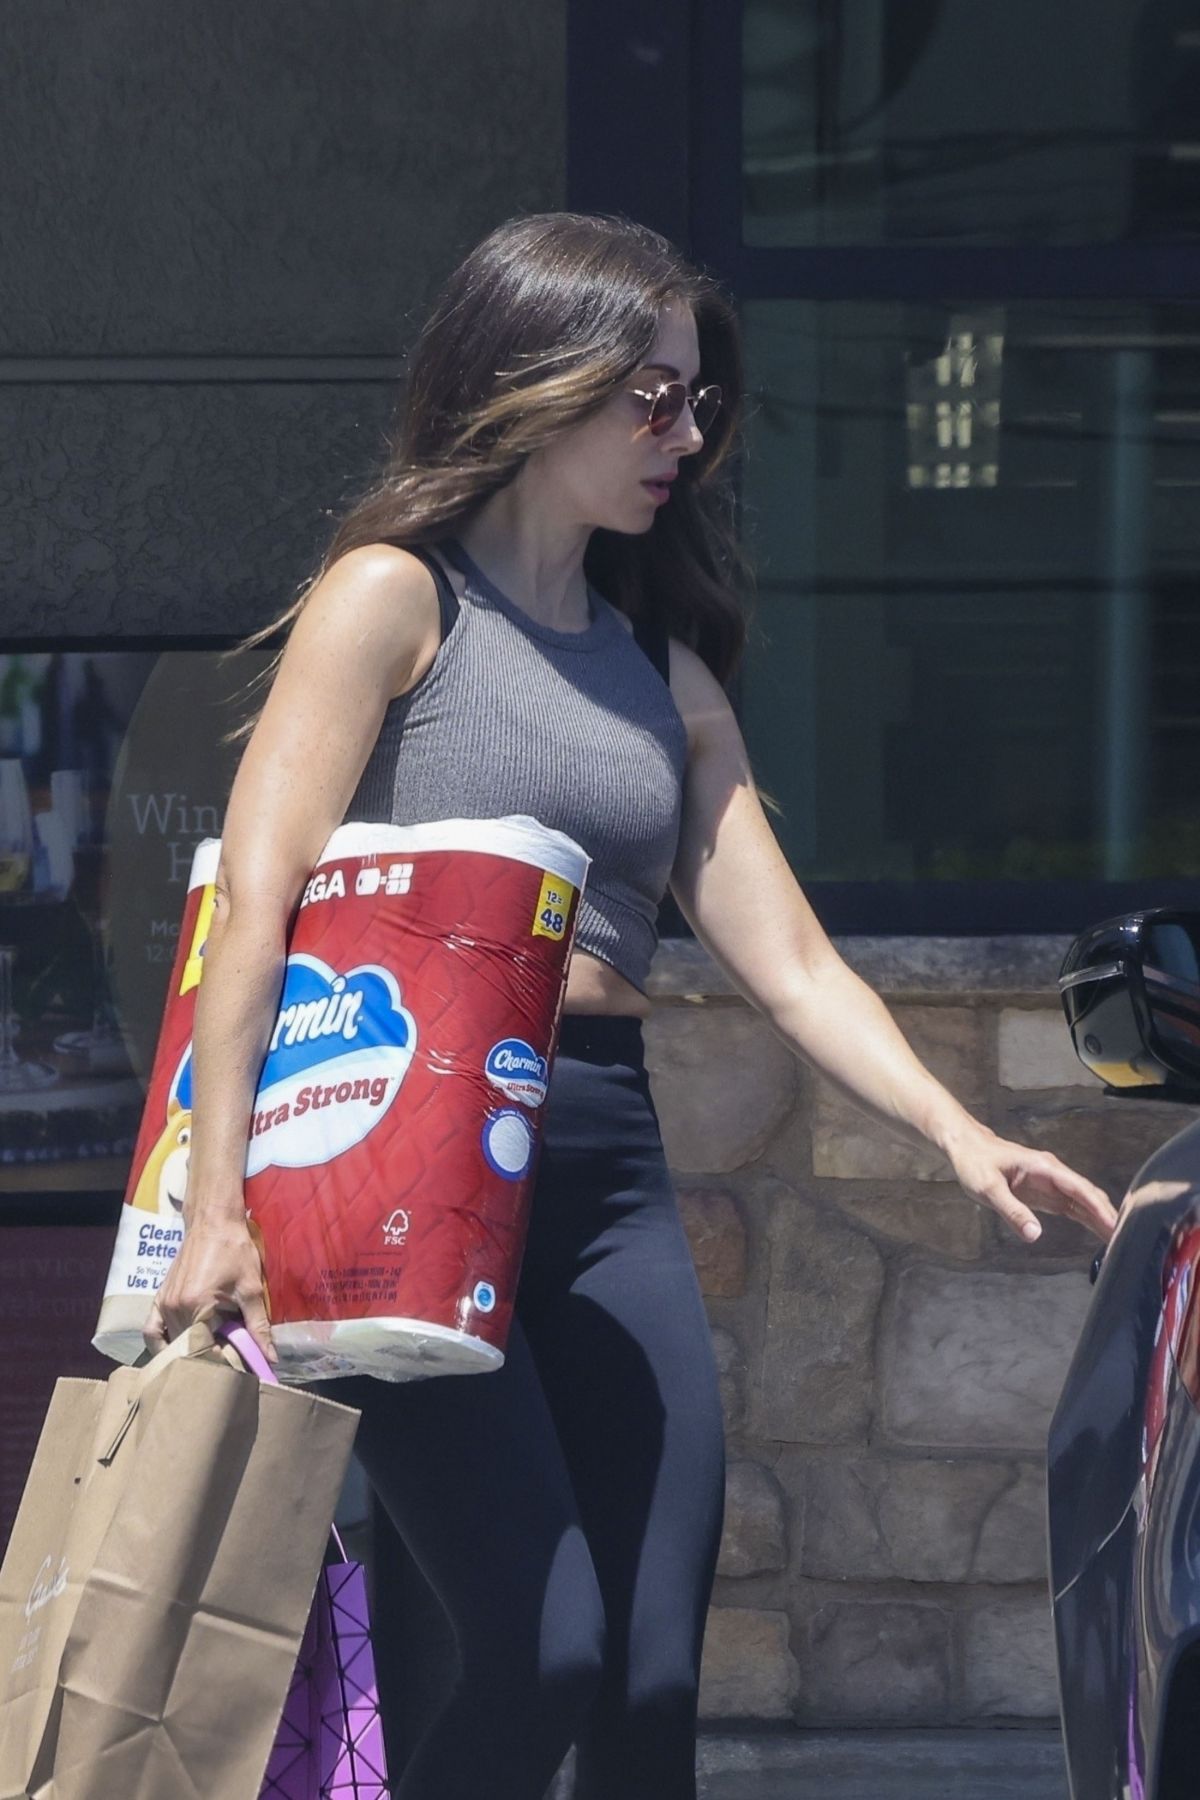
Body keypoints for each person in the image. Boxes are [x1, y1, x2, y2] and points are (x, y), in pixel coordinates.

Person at [144, 211, 1118, 1800]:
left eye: (697, 399)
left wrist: (960, 1133)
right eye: (648, 397)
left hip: (597, 1160)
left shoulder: (663, 670)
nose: (686, 433)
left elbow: (791, 961)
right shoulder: (393, 602)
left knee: (654, 1686)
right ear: (536, 384)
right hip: (389, 1155)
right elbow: (258, 902)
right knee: (545, 1657)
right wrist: (219, 1201)